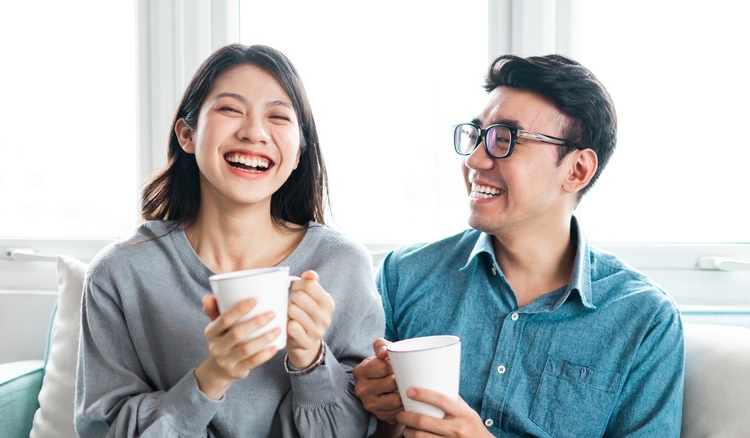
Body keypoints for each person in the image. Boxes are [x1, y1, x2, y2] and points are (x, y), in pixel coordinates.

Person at [354, 54, 684, 437]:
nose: (475, 159)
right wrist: (379, 412)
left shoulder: (644, 318)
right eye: (477, 135)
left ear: (577, 170)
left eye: (504, 140)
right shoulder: (403, 275)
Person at [75, 44, 384, 437]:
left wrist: (311, 360)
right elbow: (102, 431)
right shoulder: (120, 272)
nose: (254, 132)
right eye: (230, 110)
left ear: (298, 151)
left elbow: (361, 431)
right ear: (187, 134)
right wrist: (213, 376)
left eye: (277, 116)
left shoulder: (341, 266)